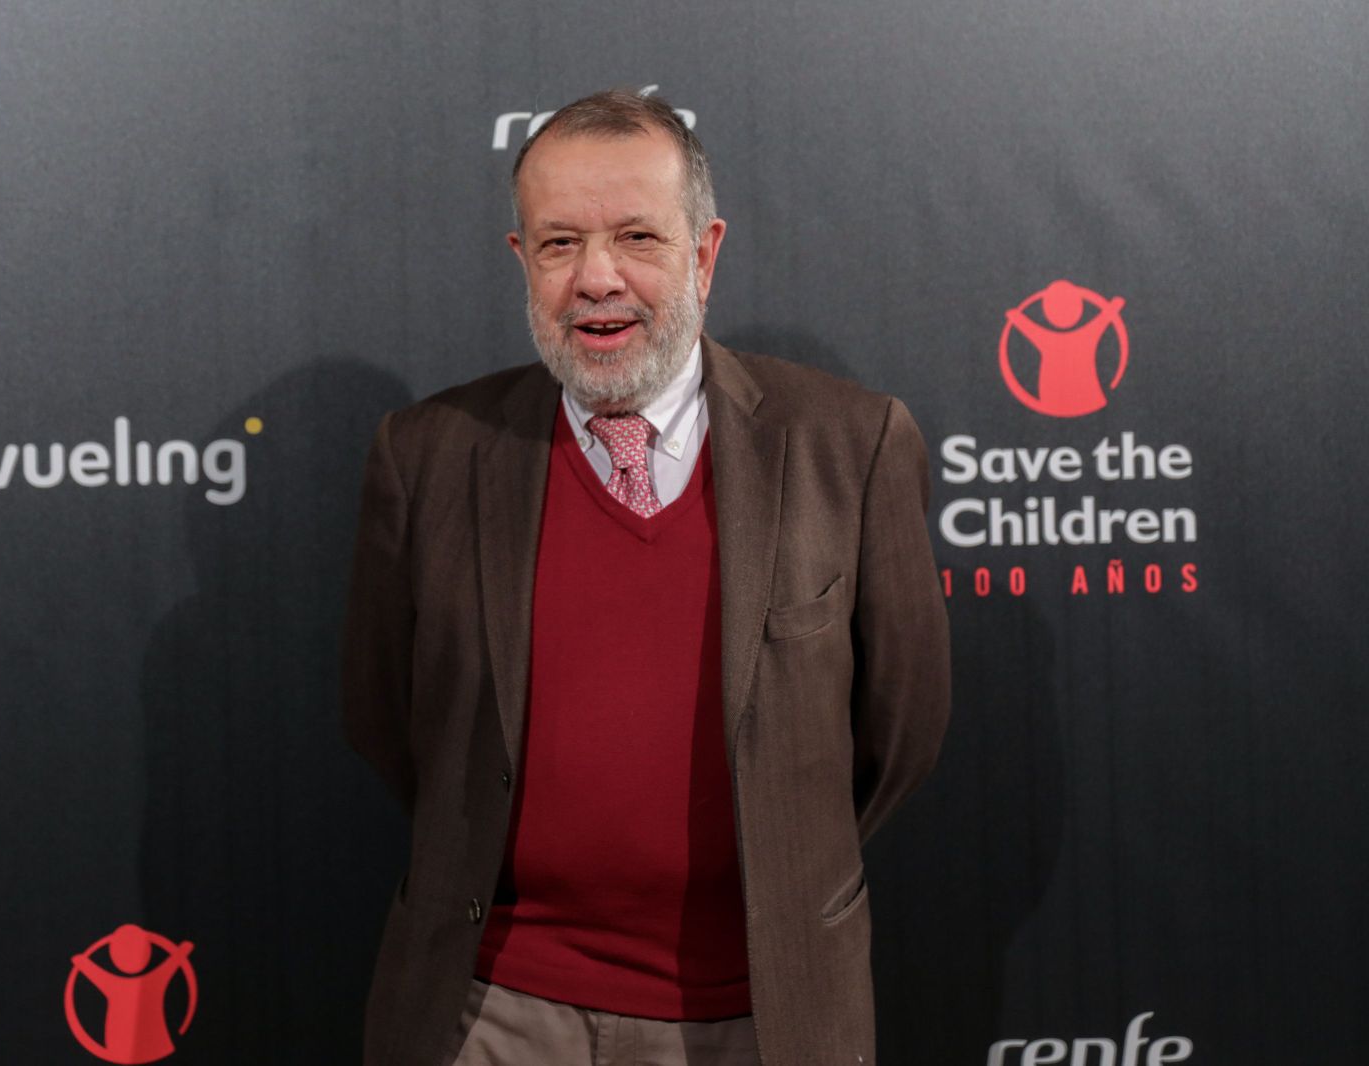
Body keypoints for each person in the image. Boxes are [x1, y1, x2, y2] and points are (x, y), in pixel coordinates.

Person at [342, 89, 949, 1066]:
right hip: (490, 1010)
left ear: (703, 254)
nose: (596, 278)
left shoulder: (849, 443)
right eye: (557, 244)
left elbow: (898, 733)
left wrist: (779, 856)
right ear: (519, 260)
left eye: (635, 236)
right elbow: (389, 721)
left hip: (764, 1013)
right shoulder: (428, 455)